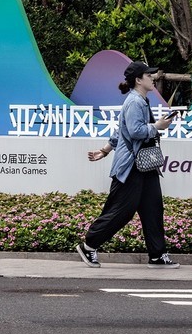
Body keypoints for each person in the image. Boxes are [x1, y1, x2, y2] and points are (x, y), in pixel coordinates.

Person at [77, 62, 180, 269]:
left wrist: (105, 150)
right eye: (148, 75)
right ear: (138, 80)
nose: (152, 78)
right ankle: (89, 246)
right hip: (132, 166)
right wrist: (157, 127)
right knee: (121, 210)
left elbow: (120, 130)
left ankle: (157, 255)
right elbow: (134, 132)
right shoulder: (135, 102)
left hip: (145, 165)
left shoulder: (140, 100)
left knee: (153, 208)